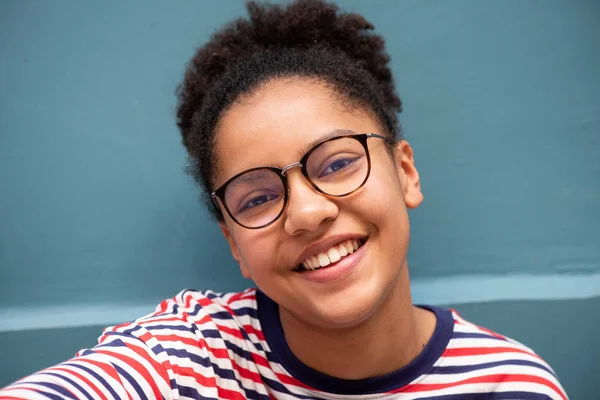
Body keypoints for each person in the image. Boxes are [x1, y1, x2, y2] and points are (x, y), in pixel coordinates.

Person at [0, 0, 568, 399]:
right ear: (233, 243)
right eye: (256, 199)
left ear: (405, 173)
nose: (306, 212)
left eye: (339, 163)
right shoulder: (185, 358)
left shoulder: (512, 384)